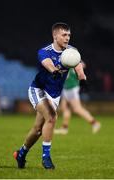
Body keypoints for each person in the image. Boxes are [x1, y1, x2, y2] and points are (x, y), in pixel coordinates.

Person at [13, 22, 86, 169]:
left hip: (54, 94)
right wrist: (54, 70)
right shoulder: (44, 51)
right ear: (55, 35)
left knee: (38, 129)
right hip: (39, 90)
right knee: (52, 117)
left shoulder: (71, 51)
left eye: (69, 35)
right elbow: (48, 64)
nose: (67, 38)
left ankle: (20, 154)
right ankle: (46, 158)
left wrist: (81, 74)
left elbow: (77, 64)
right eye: (64, 35)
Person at [54, 66, 101, 135]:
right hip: (66, 88)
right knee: (64, 108)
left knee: (77, 109)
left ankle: (95, 123)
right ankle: (64, 128)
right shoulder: (68, 61)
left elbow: (66, 76)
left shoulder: (70, 61)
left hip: (71, 88)